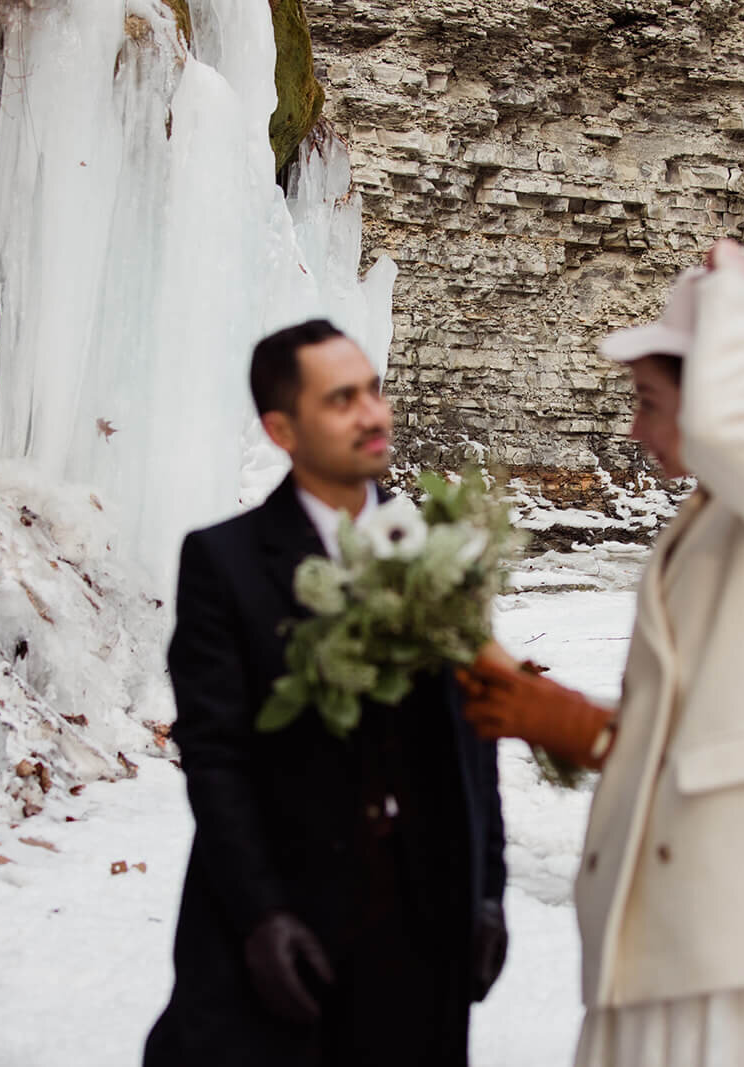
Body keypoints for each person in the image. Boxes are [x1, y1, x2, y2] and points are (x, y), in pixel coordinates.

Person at [460, 240, 744, 1066]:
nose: (637, 430)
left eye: (649, 401)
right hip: (667, 925)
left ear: (728, 387)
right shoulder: (715, 516)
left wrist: (732, 293)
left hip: (731, 935)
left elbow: (724, 429)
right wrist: (569, 719)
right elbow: (699, 719)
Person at [144, 319, 508, 1067]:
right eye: (341, 399)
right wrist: (261, 915)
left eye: (373, 389)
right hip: (287, 936)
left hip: (422, 928)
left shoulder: (443, 551)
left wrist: (487, 888)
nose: (373, 413)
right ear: (282, 428)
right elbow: (217, 757)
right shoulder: (225, 561)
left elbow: (477, 732)